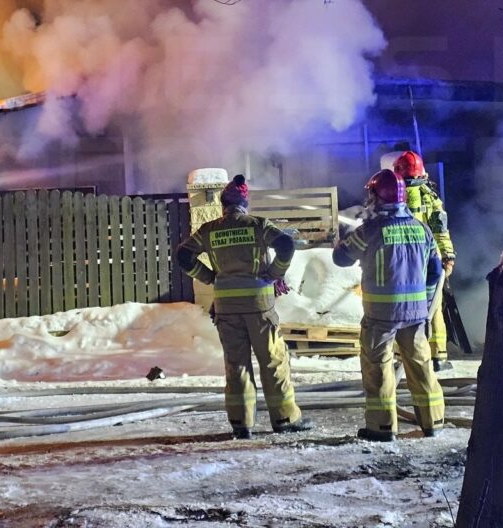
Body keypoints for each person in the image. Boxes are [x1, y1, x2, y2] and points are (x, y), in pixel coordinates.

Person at [173, 174, 311, 439]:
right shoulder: (258, 225)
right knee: (272, 362)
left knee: (236, 365)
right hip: (259, 307)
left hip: (227, 309)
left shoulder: (209, 230)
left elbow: (183, 254)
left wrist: (209, 277)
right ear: (245, 203)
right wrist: (275, 273)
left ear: (223, 205)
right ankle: (285, 418)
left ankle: (241, 423)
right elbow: (285, 244)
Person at [333, 169, 445, 442]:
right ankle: (433, 421)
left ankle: (381, 428)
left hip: (380, 316)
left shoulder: (369, 231)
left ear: (376, 197)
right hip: (415, 315)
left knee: (378, 368)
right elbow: (435, 271)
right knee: (421, 366)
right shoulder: (421, 229)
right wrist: (424, 304)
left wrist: (341, 241)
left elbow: (341, 259)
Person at [393, 150, 456, 371]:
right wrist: (448, 256)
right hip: (430, 262)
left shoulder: (393, 194)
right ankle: (438, 357)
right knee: (434, 308)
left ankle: (403, 356)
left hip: (401, 263)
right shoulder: (430, 197)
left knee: (402, 308)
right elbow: (440, 229)